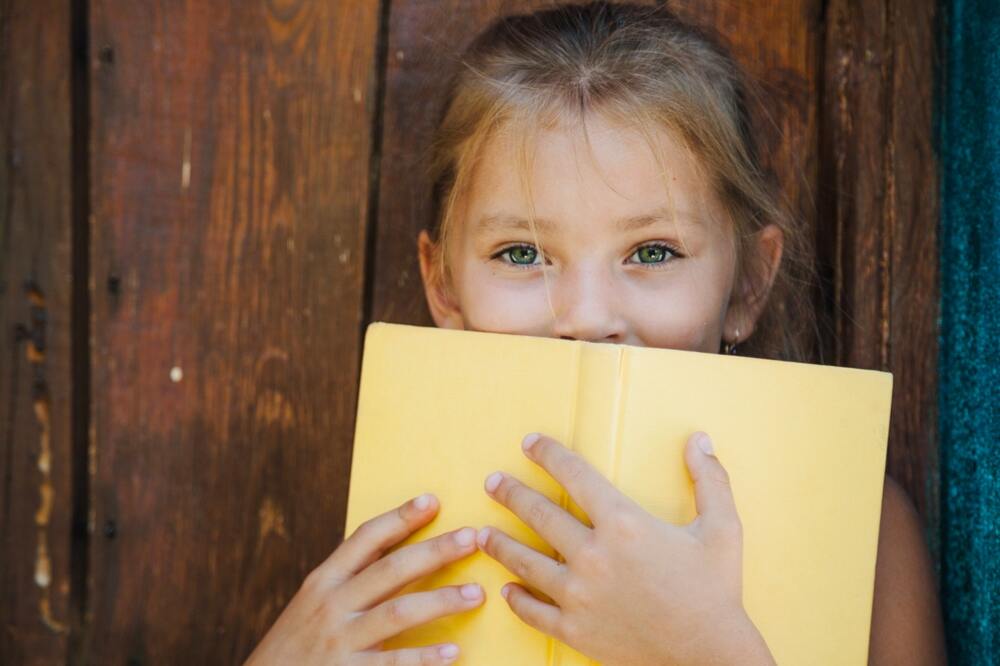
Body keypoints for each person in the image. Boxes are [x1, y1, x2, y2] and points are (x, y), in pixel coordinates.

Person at [245, 3, 947, 664]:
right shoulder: (396, 532)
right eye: (521, 254)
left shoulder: (865, 531)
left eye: (653, 251)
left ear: (749, 285)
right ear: (444, 287)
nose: (585, 317)